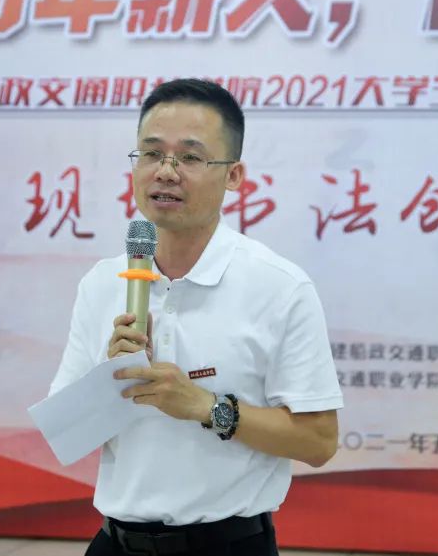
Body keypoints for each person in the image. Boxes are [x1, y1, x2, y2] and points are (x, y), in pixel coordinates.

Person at [49, 78, 343, 556]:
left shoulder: (279, 287)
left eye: (189, 157)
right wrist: (110, 376)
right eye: (151, 154)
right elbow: (65, 436)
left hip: (226, 545)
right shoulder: (103, 282)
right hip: (114, 543)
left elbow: (319, 441)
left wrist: (206, 407)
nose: (166, 172)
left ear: (234, 175)